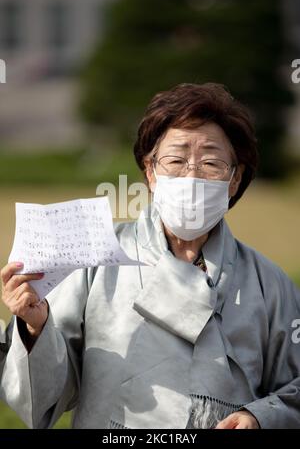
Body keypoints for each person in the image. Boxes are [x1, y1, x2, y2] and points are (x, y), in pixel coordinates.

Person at [1, 83, 300, 429]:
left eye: (211, 163)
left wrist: (259, 417)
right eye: (175, 160)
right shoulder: (96, 258)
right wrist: (36, 327)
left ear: (234, 180)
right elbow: (42, 399)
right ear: (150, 171)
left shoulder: (270, 282)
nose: (191, 175)